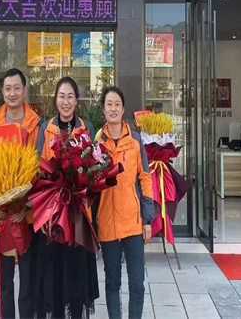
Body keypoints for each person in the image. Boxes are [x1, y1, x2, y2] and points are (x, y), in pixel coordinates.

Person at [34, 76, 99, 319]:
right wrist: (42, 213)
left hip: (79, 212)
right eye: (61, 96)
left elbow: (94, 166)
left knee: (76, 271)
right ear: (56, 100)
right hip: (54, 213)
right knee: (56, 271)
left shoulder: (86, 127)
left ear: (76, 101)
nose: (66, 102)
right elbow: (38, 170)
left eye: (70, 96)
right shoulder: (46, 128)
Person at [0, 68, 42, 319]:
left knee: (28, 280)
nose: (12, 93)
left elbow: (42, 168)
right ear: (2, 92)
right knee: (4, 280)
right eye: (7, 89)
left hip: (27, 215)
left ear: (24, 90)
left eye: (16, 88)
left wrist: (26, 205)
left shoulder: (37, 125)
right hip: (0, 216)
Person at [96, 86, 154, 319]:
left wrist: (147, 219)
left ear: (123, 109)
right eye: (108, 104)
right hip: (107, 222)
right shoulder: (96, 143)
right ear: (103, 110)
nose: (113, 109)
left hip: (133, 222)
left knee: (137, 283)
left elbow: (145, 178)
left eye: (117, 104)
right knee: (112, 282)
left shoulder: (135, 141)